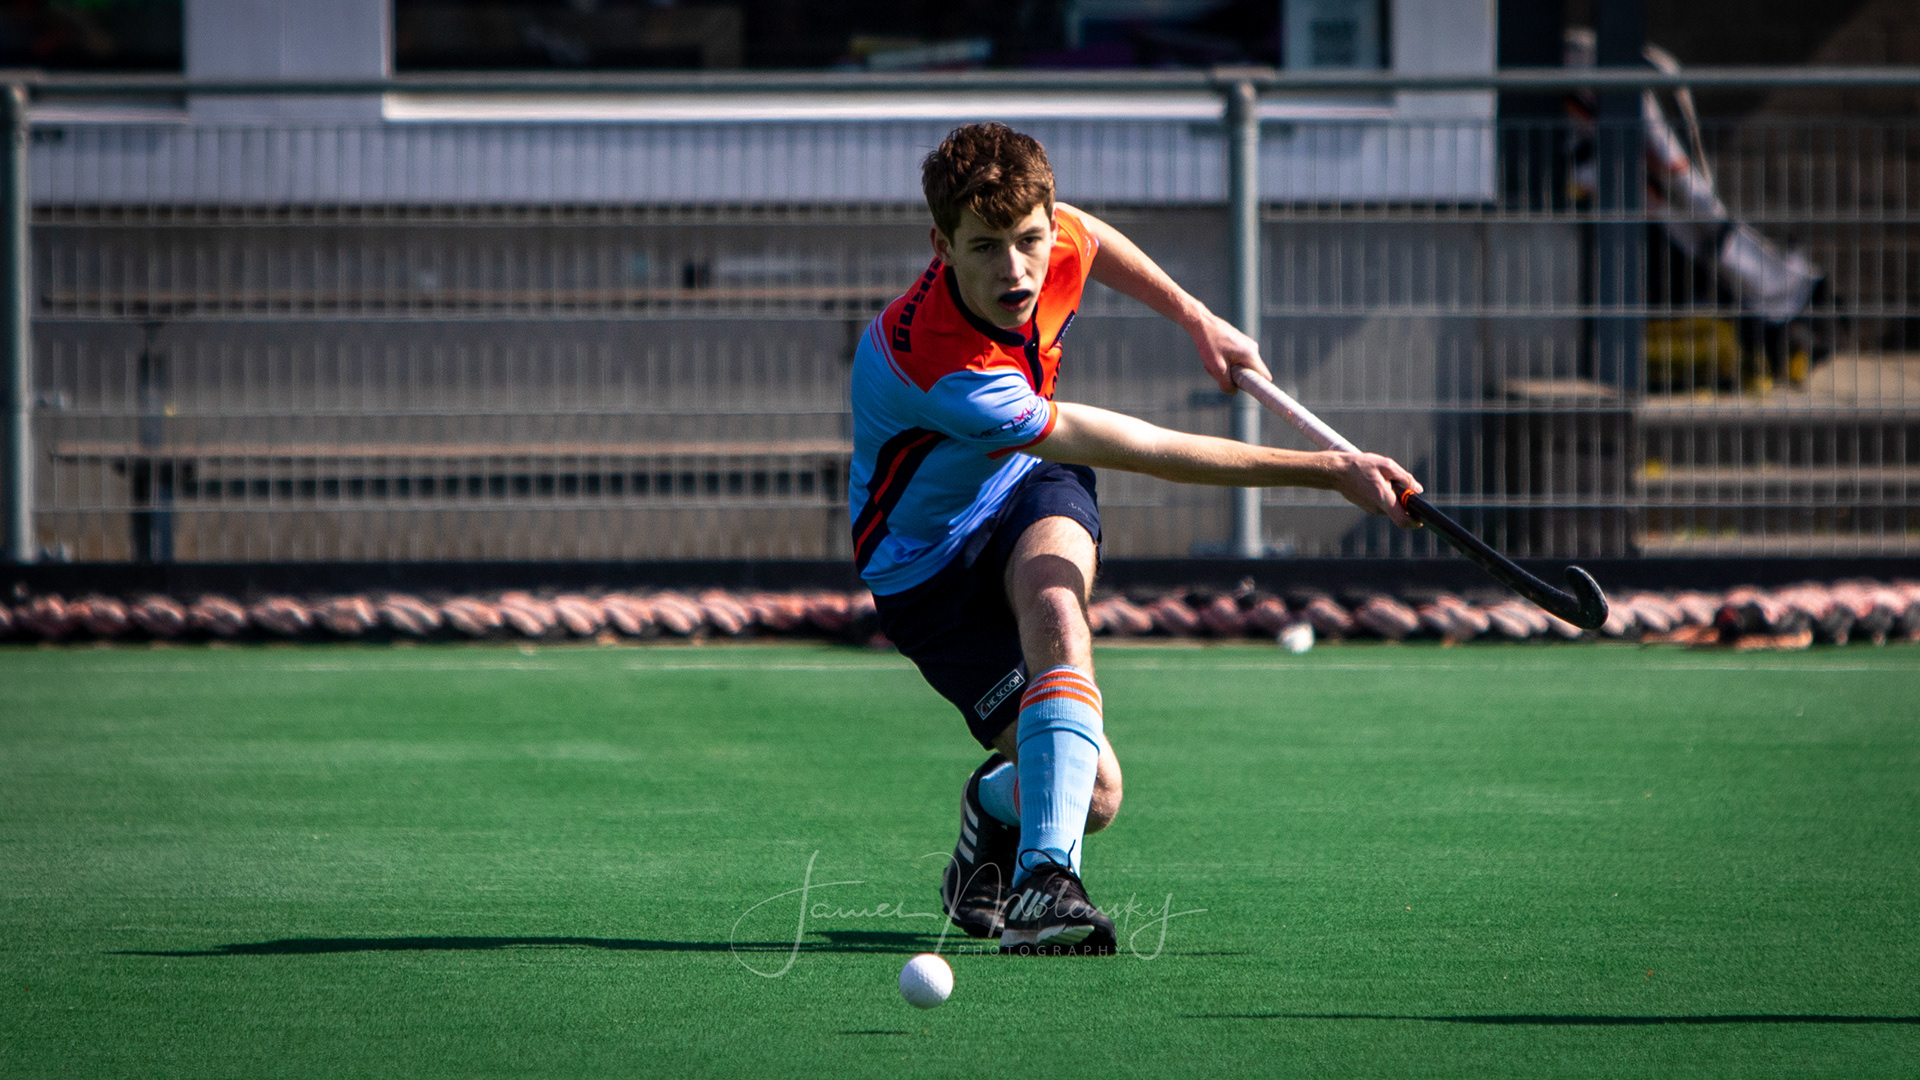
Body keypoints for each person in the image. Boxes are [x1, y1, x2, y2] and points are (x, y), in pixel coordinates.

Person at [850, 122, 1421, 956]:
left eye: (1029, 240)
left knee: (1057, 607)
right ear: (942, 245)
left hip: (1022, 483)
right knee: (1097, 797)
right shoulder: (945, 369)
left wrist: (1199, 319)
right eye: (984, 249)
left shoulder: (1051, 238)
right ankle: (995, 808)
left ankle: (1046, 885)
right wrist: (1329, 470)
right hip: (926, 569)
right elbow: (1146, 448)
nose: (1016, 271)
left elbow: (1088, 235)